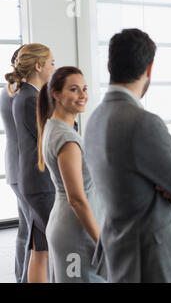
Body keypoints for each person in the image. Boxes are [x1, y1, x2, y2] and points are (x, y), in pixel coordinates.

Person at [84, 28, 171, 283]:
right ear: (149, 69)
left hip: (118, 254)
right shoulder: (143, 123)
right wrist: (166, 183)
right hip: (151, 262)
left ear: (109, 66)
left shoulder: (94, 120)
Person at [36, 66, 105, 283]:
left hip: (70, 228)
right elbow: (76, 199)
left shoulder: (55, 127)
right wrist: (102, 244)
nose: (83, 95)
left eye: (84, 89)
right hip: (75, 233)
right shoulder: (66, 138)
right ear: (55, 94)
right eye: (74, 90)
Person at [7, 43, 55, 283]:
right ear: (38, 66)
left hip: (31, 177)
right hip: (37, 179)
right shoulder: (29, 98)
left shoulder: (27, 95)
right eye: (51, 63)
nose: (54, 68)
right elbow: (51, 136)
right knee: (45, 245)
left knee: (39, 245)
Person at [0, 45, 30, 283]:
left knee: (25, 229)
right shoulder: (23, 94)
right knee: (33, 231)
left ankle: (22, 276)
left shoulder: (8, 91)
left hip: (14, 166)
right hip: (24, 169)